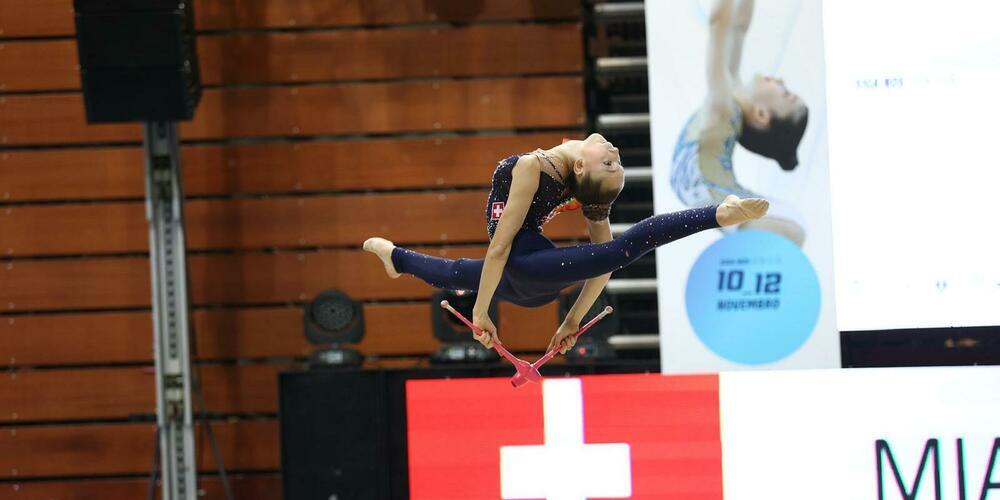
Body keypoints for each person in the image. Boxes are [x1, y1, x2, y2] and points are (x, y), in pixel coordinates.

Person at [364, 133, 768, 354]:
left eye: (614, 165)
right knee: (453, 273)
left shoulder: (557, 174)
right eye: (614, 163)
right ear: (578, 165)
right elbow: (499, 252)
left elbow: (602, 263)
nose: (615, 155)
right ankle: (394, 256)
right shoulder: (548, 165)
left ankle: (719, 213)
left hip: (528, 270)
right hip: (525, 273)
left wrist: (570, 321)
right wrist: (481, 309)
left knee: (620, 249)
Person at [670, 0, 807, 245]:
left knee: (795, 227)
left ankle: (739, 233)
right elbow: (739, 27)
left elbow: (719, 24)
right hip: (712, 195)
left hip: (716, 198)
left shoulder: (722, 105)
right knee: (794, 225)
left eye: (784, 92)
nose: (780, 80)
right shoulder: (730, 95)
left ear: (762, 115)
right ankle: (740, 232)